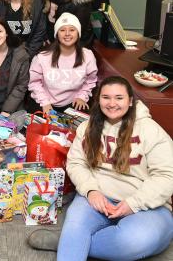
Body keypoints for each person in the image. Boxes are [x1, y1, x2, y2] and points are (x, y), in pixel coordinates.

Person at [28, 76, 173, 261]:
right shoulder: (87, 127)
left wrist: (133, 203)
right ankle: (73, 241)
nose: (112, 103)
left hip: (145, 204)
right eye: (106, 97)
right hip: (98, 196)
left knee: (137, 240)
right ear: (98, 100)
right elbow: (76, 163)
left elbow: (167, 176)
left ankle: (68, 242)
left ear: (130, 102)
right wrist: (91, 191)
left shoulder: (152, 131)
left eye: (119, 98)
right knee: (75, 224)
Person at [28, 13, 97, 114]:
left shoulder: (87, 55)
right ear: (57, 34)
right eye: (62, 30)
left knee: (82, 124)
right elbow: (34, 83)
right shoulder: (42, 57)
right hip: (45, 101)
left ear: (78, 33)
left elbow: (90, 81)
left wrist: (82, 96)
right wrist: (44, 102)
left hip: (73, 102)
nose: (67, 34)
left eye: (72, 30)